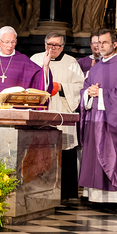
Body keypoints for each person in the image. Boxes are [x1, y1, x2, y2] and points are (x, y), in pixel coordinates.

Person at [79, 29, 117, 207]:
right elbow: (85, 88)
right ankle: (96, 196)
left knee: (111, 156)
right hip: (95, 120)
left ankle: (113, 198)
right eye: (98, 42)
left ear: (115, 44)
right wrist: (88, 93)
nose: (100, 46)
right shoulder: (95, 67)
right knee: (94, 158)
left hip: (112, 122)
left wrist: (100, 93)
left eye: (104, 42)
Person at [32, 33, 84, 202]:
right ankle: (39, 190)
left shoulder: (71, 62)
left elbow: (80, 86)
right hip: (41, 109)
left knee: (65, 150)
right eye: (50, 44)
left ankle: (66, 193)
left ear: (62, 47)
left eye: (56, 45)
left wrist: (61, 87)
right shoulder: (35, 59)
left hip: (62, 108)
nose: (52, 48)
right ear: (44, 44)